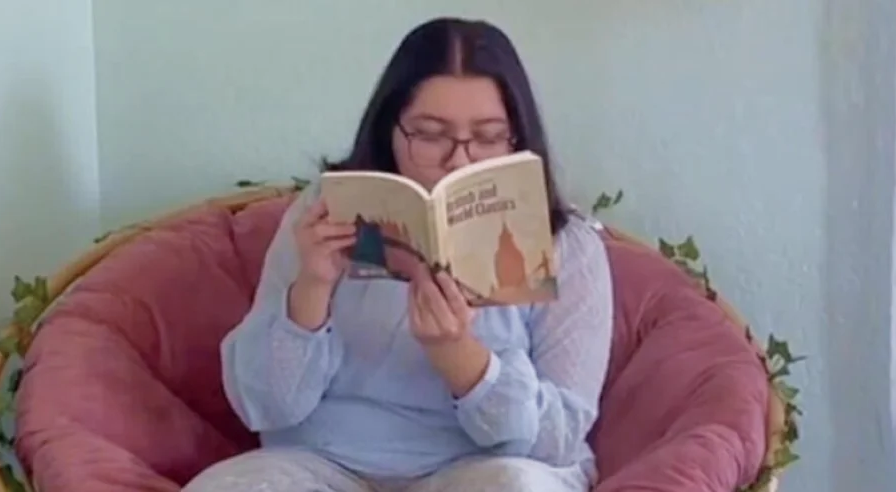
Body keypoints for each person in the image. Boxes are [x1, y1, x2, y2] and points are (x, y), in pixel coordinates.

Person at [183, 17, 614, 492]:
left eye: (489, 137)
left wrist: (462, 358)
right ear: (391, 129)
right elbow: (263, 406)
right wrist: (312, 288)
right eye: (430, 134)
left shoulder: (569, 245)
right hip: (322, 463)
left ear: (520, 137)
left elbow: (561, 437)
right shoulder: (324, 212)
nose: (460, 160)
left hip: (478, 470)